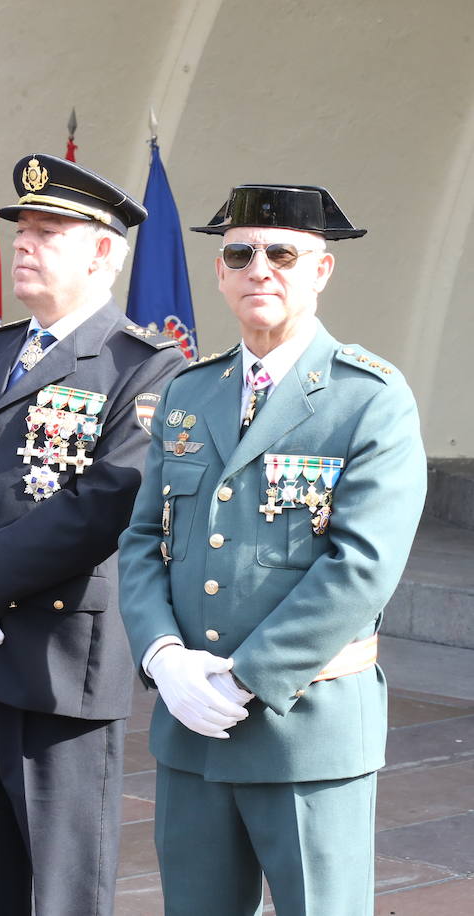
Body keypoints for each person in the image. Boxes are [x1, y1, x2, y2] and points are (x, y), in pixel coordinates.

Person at [118, 184, 426, 915]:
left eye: (281, 252)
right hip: (193, 733)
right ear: (221, 274)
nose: (260, 269)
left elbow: (362, 566)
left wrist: (245, 677)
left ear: (320, 270)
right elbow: (141, 540)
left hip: (304, 733)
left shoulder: (369, 397)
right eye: (240, 253)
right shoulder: (190, 393)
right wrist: (163, 657)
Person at [0, 153, 185, 915]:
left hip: (58, 664)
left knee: (63, 888)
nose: (24, 244)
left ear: (103, 252)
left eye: (49, 231)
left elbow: (105, 502)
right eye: (21, 230)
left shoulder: (143, 366)